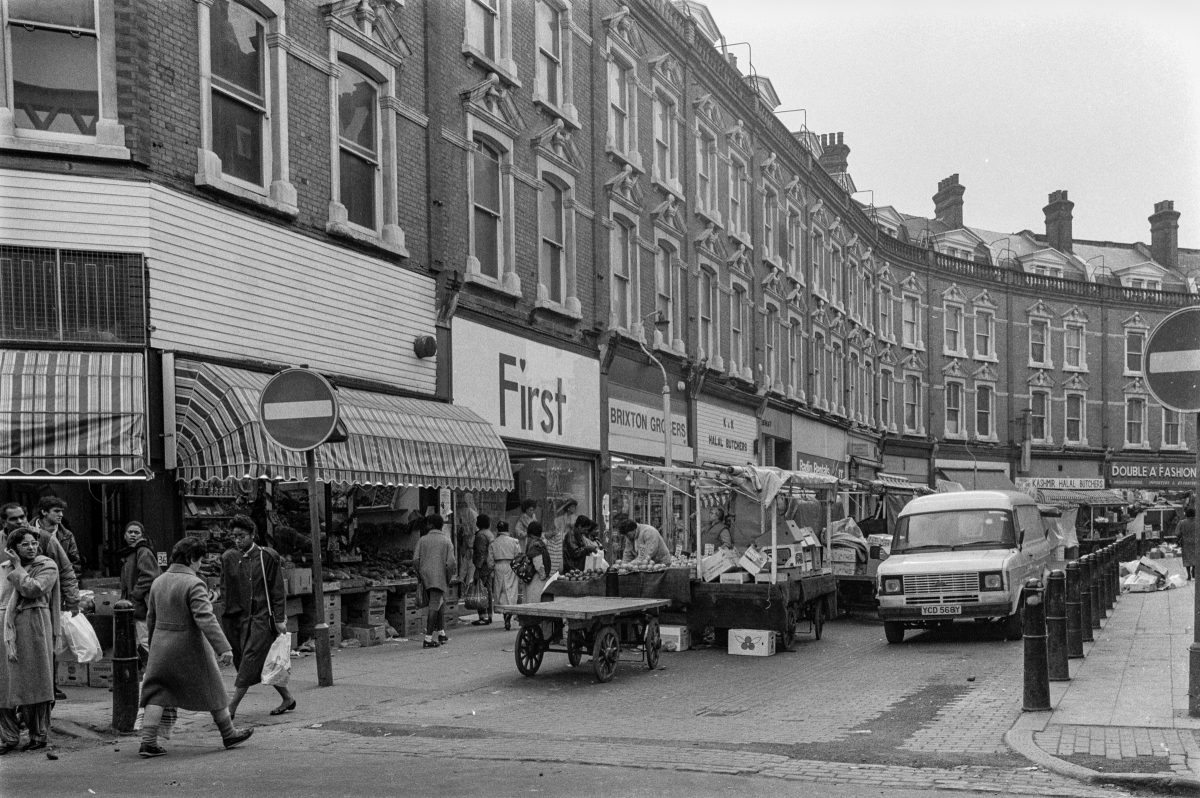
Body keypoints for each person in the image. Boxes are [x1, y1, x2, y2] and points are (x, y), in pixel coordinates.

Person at [137, 537, 252, 758]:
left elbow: (151, 617)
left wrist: (153, 647)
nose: (200, 566)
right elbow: (206, 618)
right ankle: (228, 733)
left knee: (156, 694)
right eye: (199, 561)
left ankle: (148, 742)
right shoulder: (194, 583)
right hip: (188, 646)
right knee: (213, 688)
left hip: (161, 645)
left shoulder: (158, 582)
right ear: (191, 559)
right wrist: (223, 648)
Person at [1, 503, 78, 700]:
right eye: (13, 519)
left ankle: (41, 707)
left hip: (37, 607)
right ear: (4, 522)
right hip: (6, 609)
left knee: (41, 659)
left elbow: (66, 569)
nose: (19, 521)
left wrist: (72, 600)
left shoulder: (42, 538)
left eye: (22, 517)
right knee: (10, 662)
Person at [224, 515, 295, 720]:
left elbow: (277, 590)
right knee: (260, 661)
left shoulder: (267, 557)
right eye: (235, 536)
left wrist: (280, 618)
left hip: (263, 619)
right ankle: (287, 698)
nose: (238, 540)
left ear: (253, 535)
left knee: (249, 660)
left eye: (242, 536)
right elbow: (227, 589)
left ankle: (231, 709)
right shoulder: (229, 558)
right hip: (240, 619)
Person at [0, 527, 60, 753]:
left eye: (34, 543)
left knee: (36, 682)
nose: (31, 548)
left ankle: (38, 734)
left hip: (34, 624)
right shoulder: (2, 568)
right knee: (4, 684)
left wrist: (17, 568)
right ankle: (8, 736)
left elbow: (32, 589)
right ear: (13, 548)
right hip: (6, 630)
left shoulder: (46, 566)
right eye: (25, 544)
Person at [118, 521, 160, 667]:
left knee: (145, 639)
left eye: (137, 532)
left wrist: (134, 594)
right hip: (132, 604)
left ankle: (152, 672)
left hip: (141, 605)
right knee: (136, 640)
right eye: (130, 532)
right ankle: (141, 674)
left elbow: (149, 576)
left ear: (142, 536)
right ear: (125, 535)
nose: (133, 535)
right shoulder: (130, 552)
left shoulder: (143, 551)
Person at [413, 513, 455, 648]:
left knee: (439, 604)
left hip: (425, 576)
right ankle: (428, 638)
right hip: (439, 577)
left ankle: (441, 633)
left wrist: (419, 574)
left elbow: (415, 560)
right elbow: (451, 563)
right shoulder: (447, 541)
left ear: (430, 525)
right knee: (435, 605)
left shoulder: (422, 540)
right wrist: (447, 578)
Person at [34, 497, 81, 583]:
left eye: (61, 511)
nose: (61, 514)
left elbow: (75, 565)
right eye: (56, 511)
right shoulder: (26, 532)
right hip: (34, 584)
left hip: (59, 584)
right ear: (44, 512)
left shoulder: (67, 535)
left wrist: (70, 587)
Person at [489, 521, 521, 631]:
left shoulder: (493, 543)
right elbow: (518, 556)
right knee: (511, 591)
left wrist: (492, 569)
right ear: (508, 529)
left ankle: (504, 615)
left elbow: (490, 560)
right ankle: (509, 614)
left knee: (500, 591)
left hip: (498, 566)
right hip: (511, 566)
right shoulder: (514, 541)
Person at [470, 514, 494, 626]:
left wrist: (477, 569)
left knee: (480, 589)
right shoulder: (490, 534)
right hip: (489, 566)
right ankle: (489, 615)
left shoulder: (480, 535)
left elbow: (480, 553)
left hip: (483, 566)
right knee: (488, 590)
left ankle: (482, 616)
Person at [523, 521, 552, 602]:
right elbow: (538, 563)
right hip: (536, 578)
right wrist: (543, 575)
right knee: (535, 602)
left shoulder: (531, 542)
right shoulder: (536, 544)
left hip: (532, 577)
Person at [1178, 508, 1198, 581]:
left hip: (1186, 542)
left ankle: (1189, 575)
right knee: (1195, 557)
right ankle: (1194, 570)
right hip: (1196, 542)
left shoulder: (1182, 522)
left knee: (1187, 558)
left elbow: (1177, 533)